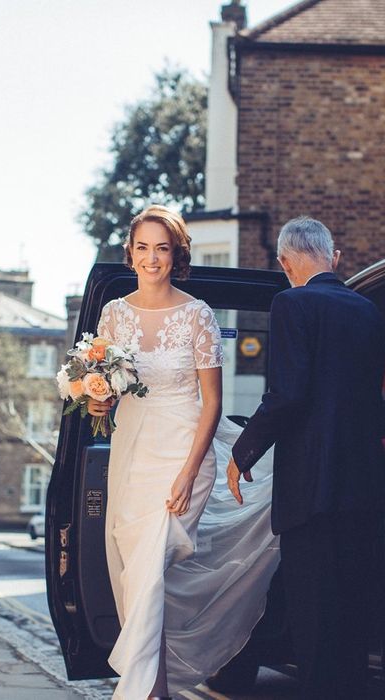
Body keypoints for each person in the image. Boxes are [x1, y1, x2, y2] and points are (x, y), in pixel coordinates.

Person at [88, 205, 279, 699]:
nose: (152, 258)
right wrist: (95, 397)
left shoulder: (198, 315)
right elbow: (103, 405)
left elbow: (212, 404)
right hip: (130, 454)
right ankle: (159, 691)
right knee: (135, 578)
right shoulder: (113, 315)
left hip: (182, 453)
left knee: (151, 570)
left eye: (162, 248)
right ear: (130, 253)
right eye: (143, 247)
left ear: (177, 255)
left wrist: (188, 473)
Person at [227, 215, 385, 700]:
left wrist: (243, 451)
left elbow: (288, 394)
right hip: (364, 491)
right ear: (333, 258)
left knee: (315, 630)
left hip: (311, 497)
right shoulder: (368, 311)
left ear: (284, 262)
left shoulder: (291, 302)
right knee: (353, 629)